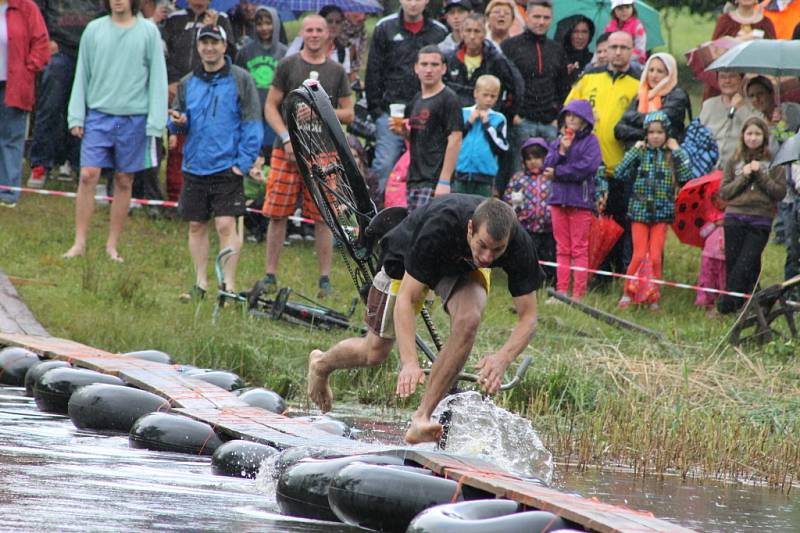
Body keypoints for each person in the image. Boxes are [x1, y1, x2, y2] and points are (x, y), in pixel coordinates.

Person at [307, 195, 542, 444]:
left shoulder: (518, 244)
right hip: (404, 262)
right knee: (374, 352)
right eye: (482, 245)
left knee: (469, 319)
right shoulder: (440, 226)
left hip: (459, 267)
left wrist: (503, 357)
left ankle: (422, 418)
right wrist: (409, 362)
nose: (487, 257)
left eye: (497, 250)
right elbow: (407, 299)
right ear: (471, 228)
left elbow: (529, 318)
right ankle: (320, 364)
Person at [63, 0, 167, 262]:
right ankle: (79, 242)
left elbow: (157, 77)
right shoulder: (94, 30)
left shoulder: (148, 31)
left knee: (124, 179)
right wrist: (76, 115)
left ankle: (112, 245)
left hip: (133, 118)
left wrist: (156, 121)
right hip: (99, 115)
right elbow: (82, 74)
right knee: (88, 174)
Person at [258, 14, 353, 297]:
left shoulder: (336, 71)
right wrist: (286, 135)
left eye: (319, 30)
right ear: (302, 33)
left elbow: (349, 113)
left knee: (324, 217)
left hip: (323, 153)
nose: (314, 34)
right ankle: (270, 275)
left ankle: (325, 281)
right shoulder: (288, 65)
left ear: (328, 35)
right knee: (277, 214)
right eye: (309, 30)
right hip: (285, 151)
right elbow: (270, 106)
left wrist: (322, 111)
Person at [168, 24, 262, 298]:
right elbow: (175, 122)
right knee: (196, 225)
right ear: (198, 47)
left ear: (224, 46)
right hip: (195, 165)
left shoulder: (240, 79)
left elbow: (252, 123)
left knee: (225, 225)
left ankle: (228, 285)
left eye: (214, 42)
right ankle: (200, 283)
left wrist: (242, 164)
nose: (209, 48)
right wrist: (177, 123)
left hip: (227, 165)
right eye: (204, 42)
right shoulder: (187, 83)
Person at [565, 31, 641, 277]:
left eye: (624, 47)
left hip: (624, 165)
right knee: (593, 221)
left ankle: (621, 271)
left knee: (621, 221)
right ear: (605, 49)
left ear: (632, 50)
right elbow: (569, 111)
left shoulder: (640, 82)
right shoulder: (590, 77)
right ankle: (597, 272)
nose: (618, 52)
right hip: (590, 166)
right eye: (613, 47)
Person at [365, 0, 447, 195]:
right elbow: (373, 71)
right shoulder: (385, 27)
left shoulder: (439, 32)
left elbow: (445, 70)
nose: (413, 3)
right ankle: (379, 216)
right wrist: (376, 110)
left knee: (426, 167)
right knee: (385, 164)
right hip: (392, 111)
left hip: (427, 112)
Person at [613, 112, 693, 310]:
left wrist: (678, 151)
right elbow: (619, 172)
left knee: (655, 256)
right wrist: (633, 151)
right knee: (639, 255)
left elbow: (687, 175)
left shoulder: (671, 155)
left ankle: (653, 296)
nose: (655, 136)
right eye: (651, 132)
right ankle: (627, 293)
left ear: (667, 134)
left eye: (660, 132)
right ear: (645, 134)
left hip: (662, 214)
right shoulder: (640, 153)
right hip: (639, 212)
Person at [160, 0, 235, 202]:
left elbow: (231, 54)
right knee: (177, 144)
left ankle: (205, 197)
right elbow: (164, 52)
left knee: (207, 141)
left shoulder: (223, 19)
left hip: (210, 90)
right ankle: (175, 196)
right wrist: (172, 80)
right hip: (178, 88)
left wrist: (214, 26)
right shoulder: (175, 18)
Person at [26, 0, 105, 188]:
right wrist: (45, 39)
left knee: (90, 112)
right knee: (49, 108)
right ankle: (40, 164)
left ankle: (82, 166)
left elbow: (108, 12)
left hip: (92, 52)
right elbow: (37, 12)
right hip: (58, 49)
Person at [716, 117, 786, 314]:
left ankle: (726, 306)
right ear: (743, 136)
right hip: (734, 218)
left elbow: (779, 192)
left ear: (764, 137)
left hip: (760, 220)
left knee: (746, 262)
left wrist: (760, 174)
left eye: (757, 134)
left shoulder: (774, 162)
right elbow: (725, 192)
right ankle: (752, 306)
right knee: (736, 263)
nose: (753, 138)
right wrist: (744, 175)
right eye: (749, 134)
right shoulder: (734, 160)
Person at [390, 45, 463, 212]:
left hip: (435, 180)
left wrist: (444, 181)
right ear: (416, 68)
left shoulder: (449, 98)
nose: (429, 70)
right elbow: (420, 136)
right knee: (416, 233)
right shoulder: (416, 99)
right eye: (424, 64)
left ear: (444, 68)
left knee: (428, 234)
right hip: (415, 178)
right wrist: (403, 132)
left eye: (434, 65)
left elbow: (456, 139)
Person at [542, 99, 602, 302]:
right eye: (568, 116)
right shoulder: (559, 141)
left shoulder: (591, 142)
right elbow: (547, 165)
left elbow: (587, 167)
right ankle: (561, 291)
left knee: (579, 248)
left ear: (585, 121)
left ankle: (578, 293)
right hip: (558, 200)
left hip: (580, 201)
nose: (571, 119)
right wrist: (561, 152)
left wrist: (559, 172)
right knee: (562, 248)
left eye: (575, 116)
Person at [501, 0, 569, 175]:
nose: (541, 22)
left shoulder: (557, 49)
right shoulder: (510, 46)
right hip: (521, 121)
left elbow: (563, 88)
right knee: (517, 174)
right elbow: (502, 83)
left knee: (549, 175)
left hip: (550, 123)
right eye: (536, 16)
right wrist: (513, 115)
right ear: (527, 17)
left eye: (546, 17)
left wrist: (558, 119)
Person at [0, 0, 50, 207]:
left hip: (15, 84)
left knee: (11, 137)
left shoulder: (27, 7)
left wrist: (29, 68)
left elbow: (41, 43)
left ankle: (8, 192)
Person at [235, 6, 287, 158]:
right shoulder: (245, 52)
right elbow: (238, 82)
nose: (264, 28)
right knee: (253, 153)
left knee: (273, 155)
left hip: (276, 114)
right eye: (259, 23)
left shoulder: (285, 53)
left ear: (276, 24)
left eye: (268, 23)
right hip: (251, 114)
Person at [502, 137, 555, 282]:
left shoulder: (551, 178)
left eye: (537, 157)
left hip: (549, 228)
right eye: (529, 158)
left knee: (549, 257)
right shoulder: (519, 178)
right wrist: (518, 214)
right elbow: (509, 198)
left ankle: (549, 282)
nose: (533, 161)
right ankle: (526, 281)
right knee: (527, 255)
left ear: (546, 157)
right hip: (526, 227)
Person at [614, 53, 690, 146]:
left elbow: (659, 120)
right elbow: (619, 130)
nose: (654, 75)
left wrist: (631, 118)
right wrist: (649, 134)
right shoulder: (641, 94)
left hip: (666, 156)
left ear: (669, 74)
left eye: (660, 71)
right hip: (638, 156)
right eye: (651, 70)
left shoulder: (677, 96)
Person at [705, 0, 776, 100]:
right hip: (728, 81)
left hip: (757, 83)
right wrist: (736, 42)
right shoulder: (724, 21)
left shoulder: (766, 23)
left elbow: (773, 56)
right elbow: (714, 52)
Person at [453, 74, 508, 197]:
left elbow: (502, 147)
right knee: (459, 208)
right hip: (461, 172)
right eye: (485, 95)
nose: (489, 99)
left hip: (485, 176)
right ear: (476, 93)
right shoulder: (463, 113)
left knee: (481, 211)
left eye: (493, 96)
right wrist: (469, 123)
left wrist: (487, 126)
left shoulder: (498, 118)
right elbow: (455, 139)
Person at [699, 71, 762, 170]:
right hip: (709, 167)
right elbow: (699, 135)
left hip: (740, 167)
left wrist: (738, 109)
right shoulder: (708, 105)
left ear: (741, 80)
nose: (727, 81)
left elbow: (756, 131)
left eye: (732, 76)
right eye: (723, 77)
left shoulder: (752, 106)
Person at [287, 5, 352, 77]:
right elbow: (286, 69)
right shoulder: (300, 43)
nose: (334, 25)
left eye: (338, 22)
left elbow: (345, 81)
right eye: (329, 21)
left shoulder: (343, 52)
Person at [695, 192, 727, 317]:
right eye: (715, 199)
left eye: (722, 198)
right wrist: (714, 224)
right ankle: (707, 303)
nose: (719, 202)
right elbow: (702, 233)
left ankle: (722, 304)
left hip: (724, 255)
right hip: (709, 254)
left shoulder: (731, 216)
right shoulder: (710, 216)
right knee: (708, 278)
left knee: (723, 279)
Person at [553, 15, 594, 87]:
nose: (580, 37)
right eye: (575, 32)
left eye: (584, 32)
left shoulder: (594, 60)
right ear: (567, 34)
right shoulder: (556, 59)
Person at [604, 0, 646, 65]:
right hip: (612, 61)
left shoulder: (637, 26)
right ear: (614, 10)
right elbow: (603, 45)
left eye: (627, 7)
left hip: (634, 61)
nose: (624, 11)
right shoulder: (610, 26)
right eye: (620, 8)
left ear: (633, 8)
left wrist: (623, 59)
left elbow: (640, 49)